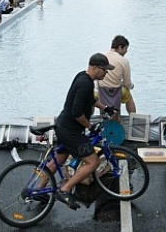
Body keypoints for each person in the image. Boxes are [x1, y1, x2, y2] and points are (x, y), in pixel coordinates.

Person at [47, 53, 115, 209]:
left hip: (63, 125)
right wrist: (90, 126)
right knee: (93, 161)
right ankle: (65, 189)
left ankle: (36, 190)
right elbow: (76, 112)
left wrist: (105, 108)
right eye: (105, 70)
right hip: (70, 131)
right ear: (95, 68)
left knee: (58, 160)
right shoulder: (86, 83)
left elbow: (89, 100)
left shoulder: (83, 77)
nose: (106, 73)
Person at [97, 35, 136, 114]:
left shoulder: (102, 57)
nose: (126, 52)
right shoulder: (123, 61)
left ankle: (89, 117)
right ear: (120, 47)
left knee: (91, 98)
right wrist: (132, 86)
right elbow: (127, 83)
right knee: (129, 97)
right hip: (116, 90)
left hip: (100, 90)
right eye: (125, 49)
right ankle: (133, 116)